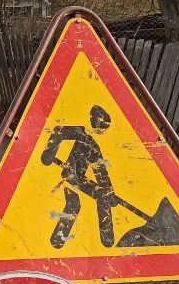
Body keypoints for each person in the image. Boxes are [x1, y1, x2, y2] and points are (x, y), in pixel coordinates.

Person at [40, 105, 121, 249]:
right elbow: (58, 131)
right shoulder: (80, 132)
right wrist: (49, 154)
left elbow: (101, 172)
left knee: (103, 195)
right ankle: (57, 239)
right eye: (103, 126)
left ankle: (107, 237)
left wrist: (110, 192)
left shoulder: (95, 147)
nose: (103, 130)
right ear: (95, 122)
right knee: (74, 204)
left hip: (81, 177)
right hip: (70, 174)